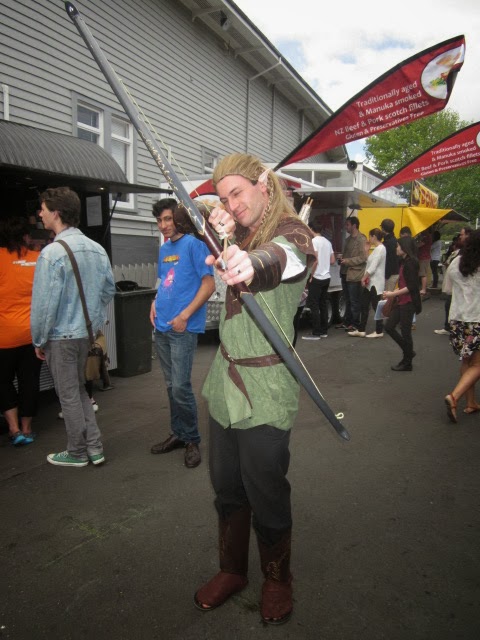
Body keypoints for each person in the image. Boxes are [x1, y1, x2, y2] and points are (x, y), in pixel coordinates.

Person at [194, 153, 315, 625]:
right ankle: (232, 570)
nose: (232, 204)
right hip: (226, 380)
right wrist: (213, 215)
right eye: (224, 197)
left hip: (266, 385)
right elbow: (194, 211)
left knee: (265, 489)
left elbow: (283, 258)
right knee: (226, 485)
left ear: (264, 182)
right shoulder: (235, 231)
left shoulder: (293, 232)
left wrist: (251, 262)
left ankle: (278, 578)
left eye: (237, 193)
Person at [31, 187, 115, 467]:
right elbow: (108, 290)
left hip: (61, 337)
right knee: (79, 392)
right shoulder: (97, 249)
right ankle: (94, 448)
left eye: (43, 209)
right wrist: (91, 318)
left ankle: (77, 453)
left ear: (56, 213)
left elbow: (44, 307)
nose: (40, 214)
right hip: (85, 334)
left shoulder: (51, 254)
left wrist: (38, 340)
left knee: (68, 395)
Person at [149, 198, 215, 468]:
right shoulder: (165, 249)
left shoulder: (194, 245)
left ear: (178, 218)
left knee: (180, 386)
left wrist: (185, 315)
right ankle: (178, 433)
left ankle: (192, 440)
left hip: (182, 327)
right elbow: (166, 280)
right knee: (170, 386)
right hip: (162, 326)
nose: (163, 225)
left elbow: (209, 285)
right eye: (159, 220)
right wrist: (154, 302)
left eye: (168, 219)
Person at [0, 216, 42, 446]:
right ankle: (27, 429)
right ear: (26, 236)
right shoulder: (38, 259)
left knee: (3, 382)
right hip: (31, 334)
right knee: (29, 381)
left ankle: (14, 429)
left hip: (3, 335)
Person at [443, 229, 480, 422]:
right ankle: (454, 396)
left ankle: (471, 402)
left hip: (457, 319)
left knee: (467, 362)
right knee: (478, 365)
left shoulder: (456, 261)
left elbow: (447, 289)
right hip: (476, 319)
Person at [382, 236, 422, 371]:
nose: (396, 248)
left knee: (405, 332)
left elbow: (411, 286)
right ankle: (409, 352)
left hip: (408, 302)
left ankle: (407, 362)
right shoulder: (404, 262)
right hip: (402, 301)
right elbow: (405, 283)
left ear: (404, 248)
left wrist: (392, 294)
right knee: (389, 326)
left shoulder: (410, 263)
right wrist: (394, 292)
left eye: (398, 245)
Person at [434, 228, 472, 336]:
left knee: (451, 306)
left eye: (462, 234)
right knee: (450, 305)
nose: (460, 237)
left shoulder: (466, 255)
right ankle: (450, 327)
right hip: (457, 289)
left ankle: (450, 327)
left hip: (462, 290)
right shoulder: (461, 253)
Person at [302, 219, 334, 340]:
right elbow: (332, 260)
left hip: (317, 277)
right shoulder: (328, 242)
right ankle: (324, 330)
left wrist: (311, 275)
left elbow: (315, 260)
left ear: (311, 229)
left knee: (313, 304)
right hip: (326, 277)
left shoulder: (313, 242)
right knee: (323, 303)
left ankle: (316, 332)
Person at [350, 228, 386, 338]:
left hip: (375, 283)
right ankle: (362, 329)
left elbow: (373, 267)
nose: (369, 239)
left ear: (374, 236)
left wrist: (364, 277)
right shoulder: (377, 249)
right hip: (371, 282)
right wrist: (366, 250)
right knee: (364, 305)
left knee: (375, 306)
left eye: (370, 236)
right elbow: (369, 262)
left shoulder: (380, 249)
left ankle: (379, 331)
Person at [339, 216, 367, 332]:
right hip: (345, 272)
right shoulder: (348, 239)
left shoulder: (362, 239)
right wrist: (341, 258)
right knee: (347, 299)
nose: (346, 227)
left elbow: (363, 258)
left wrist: (348, 261)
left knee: (354, 300)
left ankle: (355, 323)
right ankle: (347, 322)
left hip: (355, 274)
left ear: (354, 225)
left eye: (348, 225)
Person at [380, 218, 399, 292]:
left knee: (386, 296)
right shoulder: (394, 240)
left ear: (383, 229)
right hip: (394, 273)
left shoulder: (388, 243)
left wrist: (386, 276)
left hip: (390, 275)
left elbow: (390, 261)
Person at [417, 228, 432, 296]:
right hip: (425, 257)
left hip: (423, 257)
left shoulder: (426, 237)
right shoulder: (426, 237)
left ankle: (423, 289)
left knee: (423, 274)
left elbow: (419, 245)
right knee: (423, 273)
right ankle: (423, 288)